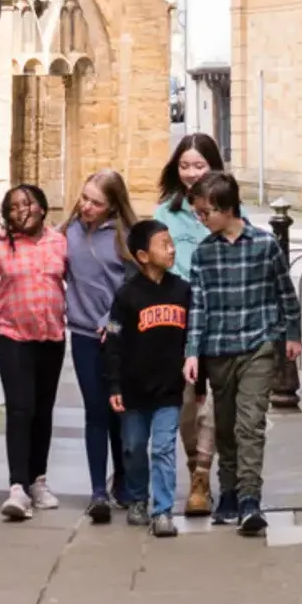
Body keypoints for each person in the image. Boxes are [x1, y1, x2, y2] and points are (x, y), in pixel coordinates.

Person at [183, 171, 302, 536]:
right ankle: (229, 492)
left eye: (206, 213)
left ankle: (251, 498)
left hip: (258, 346)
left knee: (250, 423)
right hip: (219, 349)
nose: (201, 220)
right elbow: (198, 307)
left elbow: (285, 294)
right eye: (198, 214)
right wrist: (192, 352)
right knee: (226, 427)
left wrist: (291, 335)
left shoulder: (265, 246)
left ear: (227, 207)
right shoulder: (203, 254)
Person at [105, 220, 204, 538]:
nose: (172, 248)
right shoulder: (126, 296)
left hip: (169, 390)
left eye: (171, 242)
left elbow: (193, 340)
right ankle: (137, 498)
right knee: (133, 447)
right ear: (143, 256)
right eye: (164, 244)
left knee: (163, 449)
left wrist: (198, 384)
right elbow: (114, 341)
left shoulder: (182, 290)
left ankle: (162, 511)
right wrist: (114, 384)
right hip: (134, 390)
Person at [154, 132, 224, 517]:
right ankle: (193, 468)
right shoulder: (166, 212)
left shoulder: (229, 210)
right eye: (185, 166)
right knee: (184, 403)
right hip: (179, 319)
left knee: (211, 403)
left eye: (199, 165)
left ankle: (203, 478)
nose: (192, 173)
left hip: (219, 318)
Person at [63, 169, 138, 523]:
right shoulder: (68, 233)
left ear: (112, 206)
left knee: (119, 410)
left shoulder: (125, 238)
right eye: (85, 197)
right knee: (95, 411)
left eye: (96, 202)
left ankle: (123, 477)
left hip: (118, 338)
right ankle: (97, 490)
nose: (87, 206)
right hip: (82, 336)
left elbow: (133, 290)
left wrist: (113, 323)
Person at [0, 184, 69, 522]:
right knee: (20, 409)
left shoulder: (59, 243)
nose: (20, 211)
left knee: (43, 410)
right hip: (12, 335)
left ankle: (38, 480)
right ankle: (17, 487)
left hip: (51, 336)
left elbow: (76, 281)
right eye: (12, 206)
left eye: (27, 203)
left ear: (42, 208)